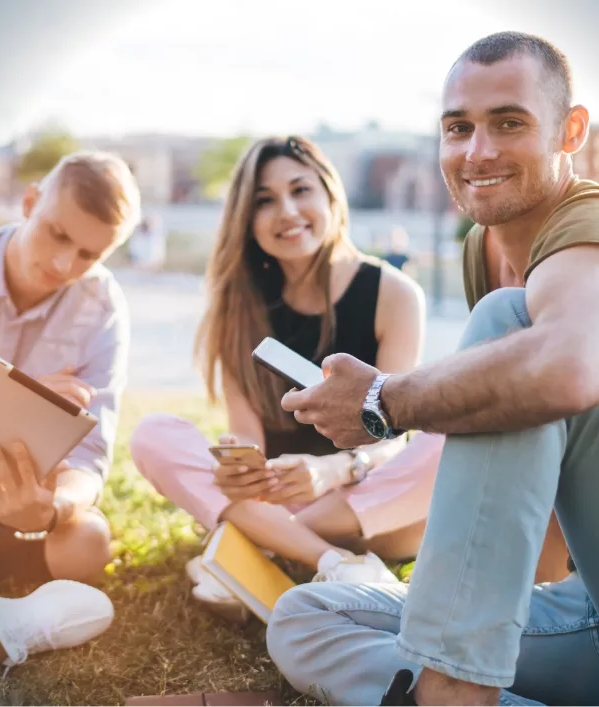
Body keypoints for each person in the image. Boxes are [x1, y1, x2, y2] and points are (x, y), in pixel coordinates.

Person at [266, 32, 599, 706]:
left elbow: (569, 369)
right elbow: (531, 466)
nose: (478, 151)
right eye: (457, 127)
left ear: (570, 130)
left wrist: (381, 398)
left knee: (510, 324)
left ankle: (454, 689)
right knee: (307, 619)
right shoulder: (483, 248)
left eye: (509, 123)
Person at [130, 135, 446, 623]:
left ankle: (251, 548)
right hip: (276, 500)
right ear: (246, 219)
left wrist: (336, 470)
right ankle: (331, 562)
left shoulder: (394, 294)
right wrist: (241, 466)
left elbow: (394, 436)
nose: (287, 211)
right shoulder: (237, 305)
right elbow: (246, 437)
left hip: (366, 503)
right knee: (154, 435)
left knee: (447, 435)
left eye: (300, 190)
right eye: (264, 200)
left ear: (329, 195)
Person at [0, 151, 139, 672]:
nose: (63, 266)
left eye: (88, 255)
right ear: (30, 202)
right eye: (56, 233)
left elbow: (92, 459)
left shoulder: (103, 308)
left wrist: (51, 511)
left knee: (87, 541)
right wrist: (9, 391)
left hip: (21, 496)